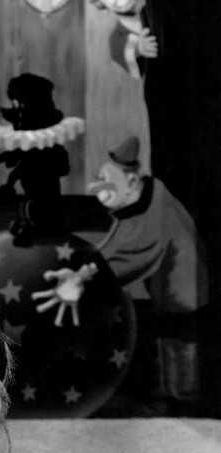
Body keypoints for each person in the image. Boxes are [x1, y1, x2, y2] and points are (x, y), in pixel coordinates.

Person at [86, 135, 208, 409]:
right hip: (169, 292)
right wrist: (91, 264)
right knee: (171, 336)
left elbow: (136, 254)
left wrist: (92, 272)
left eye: (108, 182)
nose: (101, 189)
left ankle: (185, 398)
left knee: (181, 339)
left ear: (131, 182)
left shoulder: (155, 209)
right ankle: (177, 393)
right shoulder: (140, 200)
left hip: (183, 291)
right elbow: (118, 243)